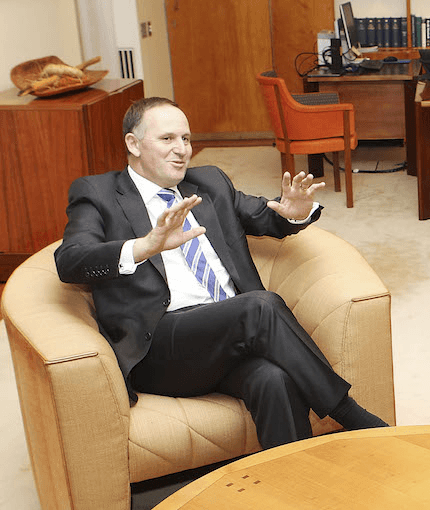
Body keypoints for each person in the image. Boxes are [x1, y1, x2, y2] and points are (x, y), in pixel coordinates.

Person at [54, 97, 387, 449]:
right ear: (133, 144)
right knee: (259, 306)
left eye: (186, 139)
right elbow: (70, 260)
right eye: (167, 139)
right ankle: (350, 414)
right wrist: (146, 245)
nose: (181, 150)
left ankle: (292, 486)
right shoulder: (98, 193)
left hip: (228, 339)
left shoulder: (209, 182)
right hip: (161, 349)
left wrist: (294, 211)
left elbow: (266, 214)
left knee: (273, 380)